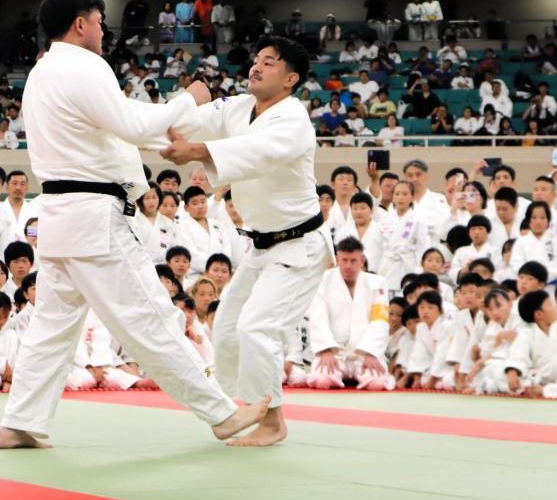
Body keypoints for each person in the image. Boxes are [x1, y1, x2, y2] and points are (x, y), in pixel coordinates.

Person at [0, 0, 268, 449]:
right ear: (81, 23)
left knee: (52, 328)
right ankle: (221, 413)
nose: (103, 31)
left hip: (63, 217)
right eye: (100, 21)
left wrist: (181, 137)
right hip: (94, 219)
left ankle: (20, 421)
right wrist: (190, 98)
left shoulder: (43, 73)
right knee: (151, 317)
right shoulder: (83, 66)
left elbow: (122, 127)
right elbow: (133, 125)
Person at [160, 34, 330, 446]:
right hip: (262, 245)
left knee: (258, 328)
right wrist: (183, 103)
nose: (256, 66)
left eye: (269, 62)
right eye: (256, 59)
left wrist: (199, 152)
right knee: (229, 327)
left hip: (299, 246)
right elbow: (186, 124)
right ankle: (247, 404)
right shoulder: (238, 107)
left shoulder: (293, 120)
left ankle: (273, 420)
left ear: (291, 78)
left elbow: (255, 154)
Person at [307, 237, 394, 390]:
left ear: (362, 260)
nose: (348, 265)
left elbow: (380, 321)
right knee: (322, 381)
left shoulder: (377, 283)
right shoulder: (322, 281)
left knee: (377, 384)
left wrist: (371, 352)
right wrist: (326, 350)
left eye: (353, 260)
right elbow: (318, 318)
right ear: (337, 260)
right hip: (334, 354)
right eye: (344, 260)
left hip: (364, 355)